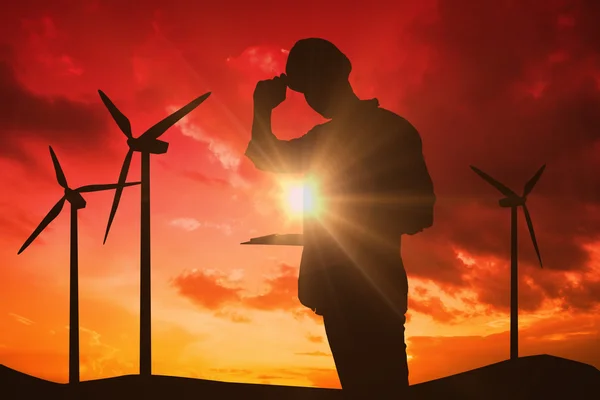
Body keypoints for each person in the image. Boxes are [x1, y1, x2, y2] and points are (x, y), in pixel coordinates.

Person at [245, 38, 435, 399]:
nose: (312, 98)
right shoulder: (328, 138)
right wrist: (261, 109)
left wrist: (353, 221)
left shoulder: (392, 132)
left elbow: (421, 210)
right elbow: (265, 158)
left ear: (336, 78)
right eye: (306, 90)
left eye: (314, 86)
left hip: (371, 292)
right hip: (339, 291)